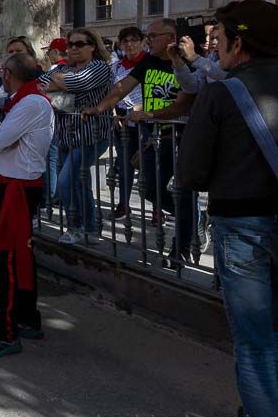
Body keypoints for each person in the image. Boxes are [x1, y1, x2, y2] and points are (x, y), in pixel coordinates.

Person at [177, 0, 278, 417]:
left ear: (239, 42)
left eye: (219, 37)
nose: (213, 45)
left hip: (242, 225)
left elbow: (188, 172)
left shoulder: (221, 93)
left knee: (254, 346)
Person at [87, 18, 197, 267]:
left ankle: (180, 248)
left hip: (181, 136)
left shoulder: (187, 62)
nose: (148, 41)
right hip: (153, 137)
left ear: (170, 37)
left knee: (183, 190)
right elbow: (123, 87)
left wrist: (148, 114)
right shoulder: (149, 61)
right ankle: (188, 217)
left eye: (152, 36)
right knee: (148, 189)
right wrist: (100, 107)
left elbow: (184, 104)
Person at [0, 54, 53, 359]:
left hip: (18, 186)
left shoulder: (31, 103)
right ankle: (26, 317)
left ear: (7, 73)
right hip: (16, 182)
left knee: (8, 258)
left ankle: (5, 331)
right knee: (19, 256)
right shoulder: (25, 100)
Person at [41, 28, 113, 245]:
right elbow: (39, 85)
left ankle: (76, 226)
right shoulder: (62, 67)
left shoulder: (99, 67)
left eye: (79, 44)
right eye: (70, 44)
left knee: (65, 183)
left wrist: (58, 82)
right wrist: (58, 80)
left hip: (91, 135)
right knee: (81, 185)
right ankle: (89, 229)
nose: (73, 48)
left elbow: (77, 83)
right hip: (65, 136)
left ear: (92, 46)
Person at [107, 26, 145, 222]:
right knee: (124, 163)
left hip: (145, 118)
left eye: (134, 40)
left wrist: (139, 109)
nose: (129, 45)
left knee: (148, 165)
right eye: (125, 41)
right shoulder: (115, 67)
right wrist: (114, 114)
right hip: (121, 120)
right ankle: (123, 203)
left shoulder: (149, 63)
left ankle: (157, 210)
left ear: (142, 42)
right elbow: (111, 93)